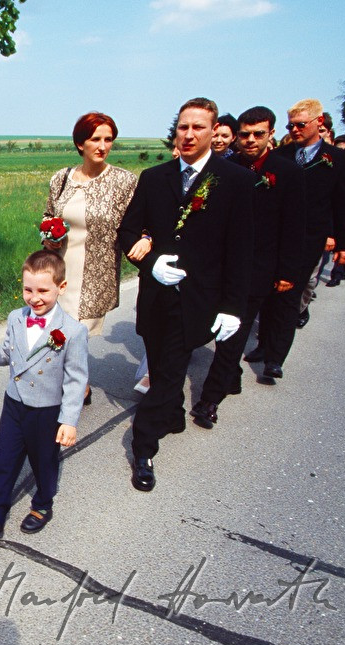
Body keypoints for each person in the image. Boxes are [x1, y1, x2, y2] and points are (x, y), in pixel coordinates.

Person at [117, 97, 254, 492]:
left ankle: (143, 449)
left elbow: (240, 250)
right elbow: (128, 232)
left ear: (214, 132)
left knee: (169, 370)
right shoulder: (153, 178)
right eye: (183, 127)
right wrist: (149, 263)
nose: (189, 134)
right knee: (161, 365)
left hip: (198, 299)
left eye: (198, 127)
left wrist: (232, 308)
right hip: (156, 296)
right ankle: (173, 415)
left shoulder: (236, 181)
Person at [0, 250, 88, 545]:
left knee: (44, 462)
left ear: (61, 287)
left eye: (43, 290)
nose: (35, 298)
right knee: (4, 460)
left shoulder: (72, 331)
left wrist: (69, 421)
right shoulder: (16, 318)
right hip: (15, 404)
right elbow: (8, 353)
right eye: (28, 289)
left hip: (46, 411)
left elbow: (75, 379)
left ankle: (43, 504)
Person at [191, 106, 305, 427]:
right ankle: (232, 375)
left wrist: (286, 273)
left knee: (234, 333)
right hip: (220, 265)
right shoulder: (223, 168)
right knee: (217, 329)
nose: (250, 140)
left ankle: (209, 400)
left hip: (258, 268)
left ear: (271, 135)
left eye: (258, 134)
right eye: (244, 134)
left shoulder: (288, 172)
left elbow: (295, 228)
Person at [41, 112, 147, 402]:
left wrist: (147, 239)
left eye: (108, 139)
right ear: (80, 144)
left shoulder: (124, 182)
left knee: (72, 336)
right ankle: (79, 386)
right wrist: (48, 237)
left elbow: (141, 221)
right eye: (95, 139)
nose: (102, 146)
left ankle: (72, 393)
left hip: (95, 275)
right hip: (59, 270)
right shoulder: (61, 178)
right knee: (57, 333)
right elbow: (49, 216)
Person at [272, 99, 345, 338]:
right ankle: (264, 345)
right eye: (290, 126)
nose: (295, 130)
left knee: (292, 294)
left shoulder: (338, 159)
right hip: (278, 236)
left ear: (319, 122)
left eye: (300, 125)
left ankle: (275, 358)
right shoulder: (281, 155)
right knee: (271, 293)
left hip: (310, 238)